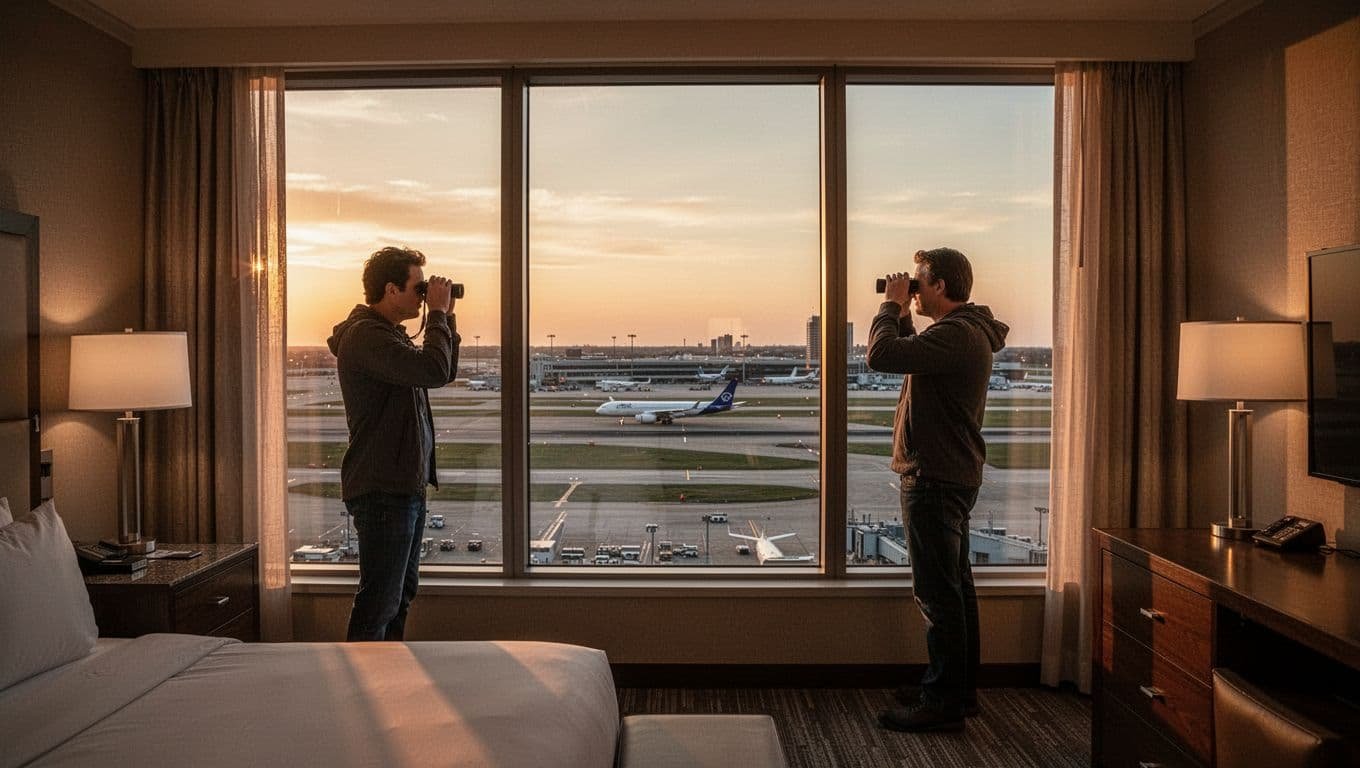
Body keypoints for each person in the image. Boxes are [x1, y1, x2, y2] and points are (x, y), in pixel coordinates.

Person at [866, 247, 1009, 732]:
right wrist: (906, 313)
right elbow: (915, 356)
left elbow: (881, 356)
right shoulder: (962, 334)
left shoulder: (958, 336)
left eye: (919, 282)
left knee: (937, 594)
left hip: (934, 477)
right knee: (956, 588)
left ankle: (944, 703)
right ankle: (955, 690)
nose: (913, 288)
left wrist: (889, 306)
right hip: (951, 474)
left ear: (940, 286)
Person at [328, 246, 459, 642]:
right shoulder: (367, 337)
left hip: (403, 485)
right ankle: (363, 689)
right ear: (390, 289)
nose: (423, 296)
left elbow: (445, 371)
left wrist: (446, 316)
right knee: (380, 602)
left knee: (399, 596)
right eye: (418, 288)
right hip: (383, 488)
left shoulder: (387, 335)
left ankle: (388, 678)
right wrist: (435, 314)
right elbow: (433, 369)